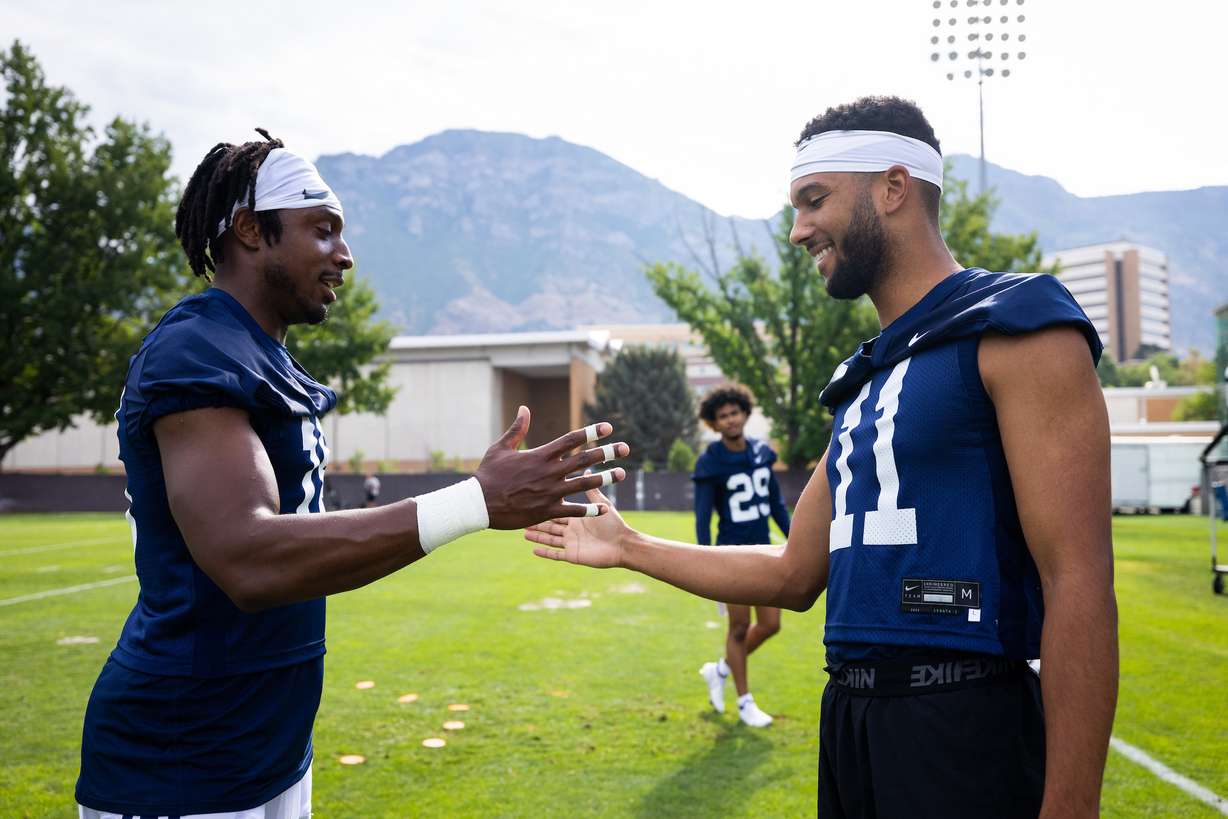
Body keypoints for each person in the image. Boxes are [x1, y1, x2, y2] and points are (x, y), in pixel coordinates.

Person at [527, 96, 1118, 818]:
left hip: (965, 717)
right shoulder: (860, 381)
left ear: (893, 188)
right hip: (851, 720)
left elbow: (1078, 578)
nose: (798, 229)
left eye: (814, 200)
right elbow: (793, 572)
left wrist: (1072, 806)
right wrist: (629, 545)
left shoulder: (1018, 325)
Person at [75, 130, 629, 819]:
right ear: (251, 231)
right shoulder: (196, 348)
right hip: (181, 764)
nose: (345, 254)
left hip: (262, 748)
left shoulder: (252, 352)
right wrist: (475, 501)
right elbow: (246, 558)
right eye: (323, 229)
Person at [692, 385, 790, 727]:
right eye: (722, 416)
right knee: (739, 628)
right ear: (714, 424)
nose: (730, 419)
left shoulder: (763, 451)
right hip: (731, 554)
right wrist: (704, 562)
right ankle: (745, 701)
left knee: (770, 624)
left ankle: (719, 670)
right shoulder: (710, 461)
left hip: (765, 550)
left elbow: (776, 504)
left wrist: (794, 540)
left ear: (746, 413)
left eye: (735, 412)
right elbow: (703, 518)